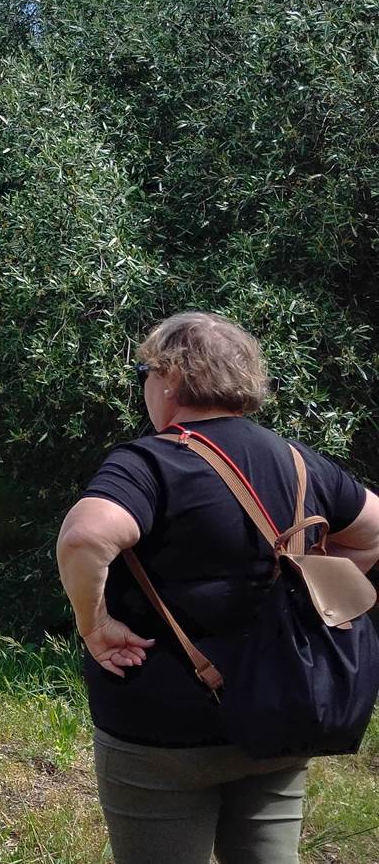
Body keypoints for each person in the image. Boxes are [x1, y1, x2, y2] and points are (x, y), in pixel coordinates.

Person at [57, 311, 379, 864]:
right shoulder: (299, 462)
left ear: (170, 379)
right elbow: (373, 534)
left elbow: (85, 539)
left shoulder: (149, 461)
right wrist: (310, 587)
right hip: (280, 706)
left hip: (161, 721)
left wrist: (97, 625)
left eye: (145, 373)